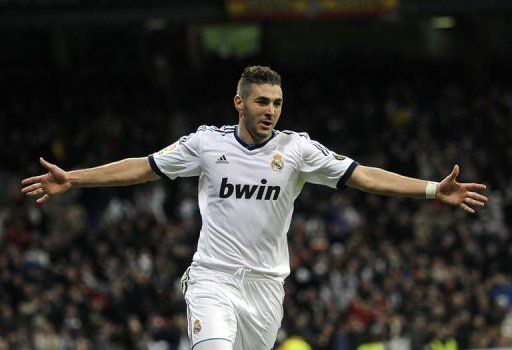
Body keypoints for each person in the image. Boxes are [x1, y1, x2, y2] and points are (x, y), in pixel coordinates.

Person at [21, 66, 488, 350]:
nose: (271, 110)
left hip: (266, 288)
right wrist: (74, 178)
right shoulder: (205, 143)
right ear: (239, 102)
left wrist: (431, 189)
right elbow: (144, 167)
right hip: (213, 279)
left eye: (278, 103)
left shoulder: (299, 150)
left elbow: (362, 175)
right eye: (262, 101)